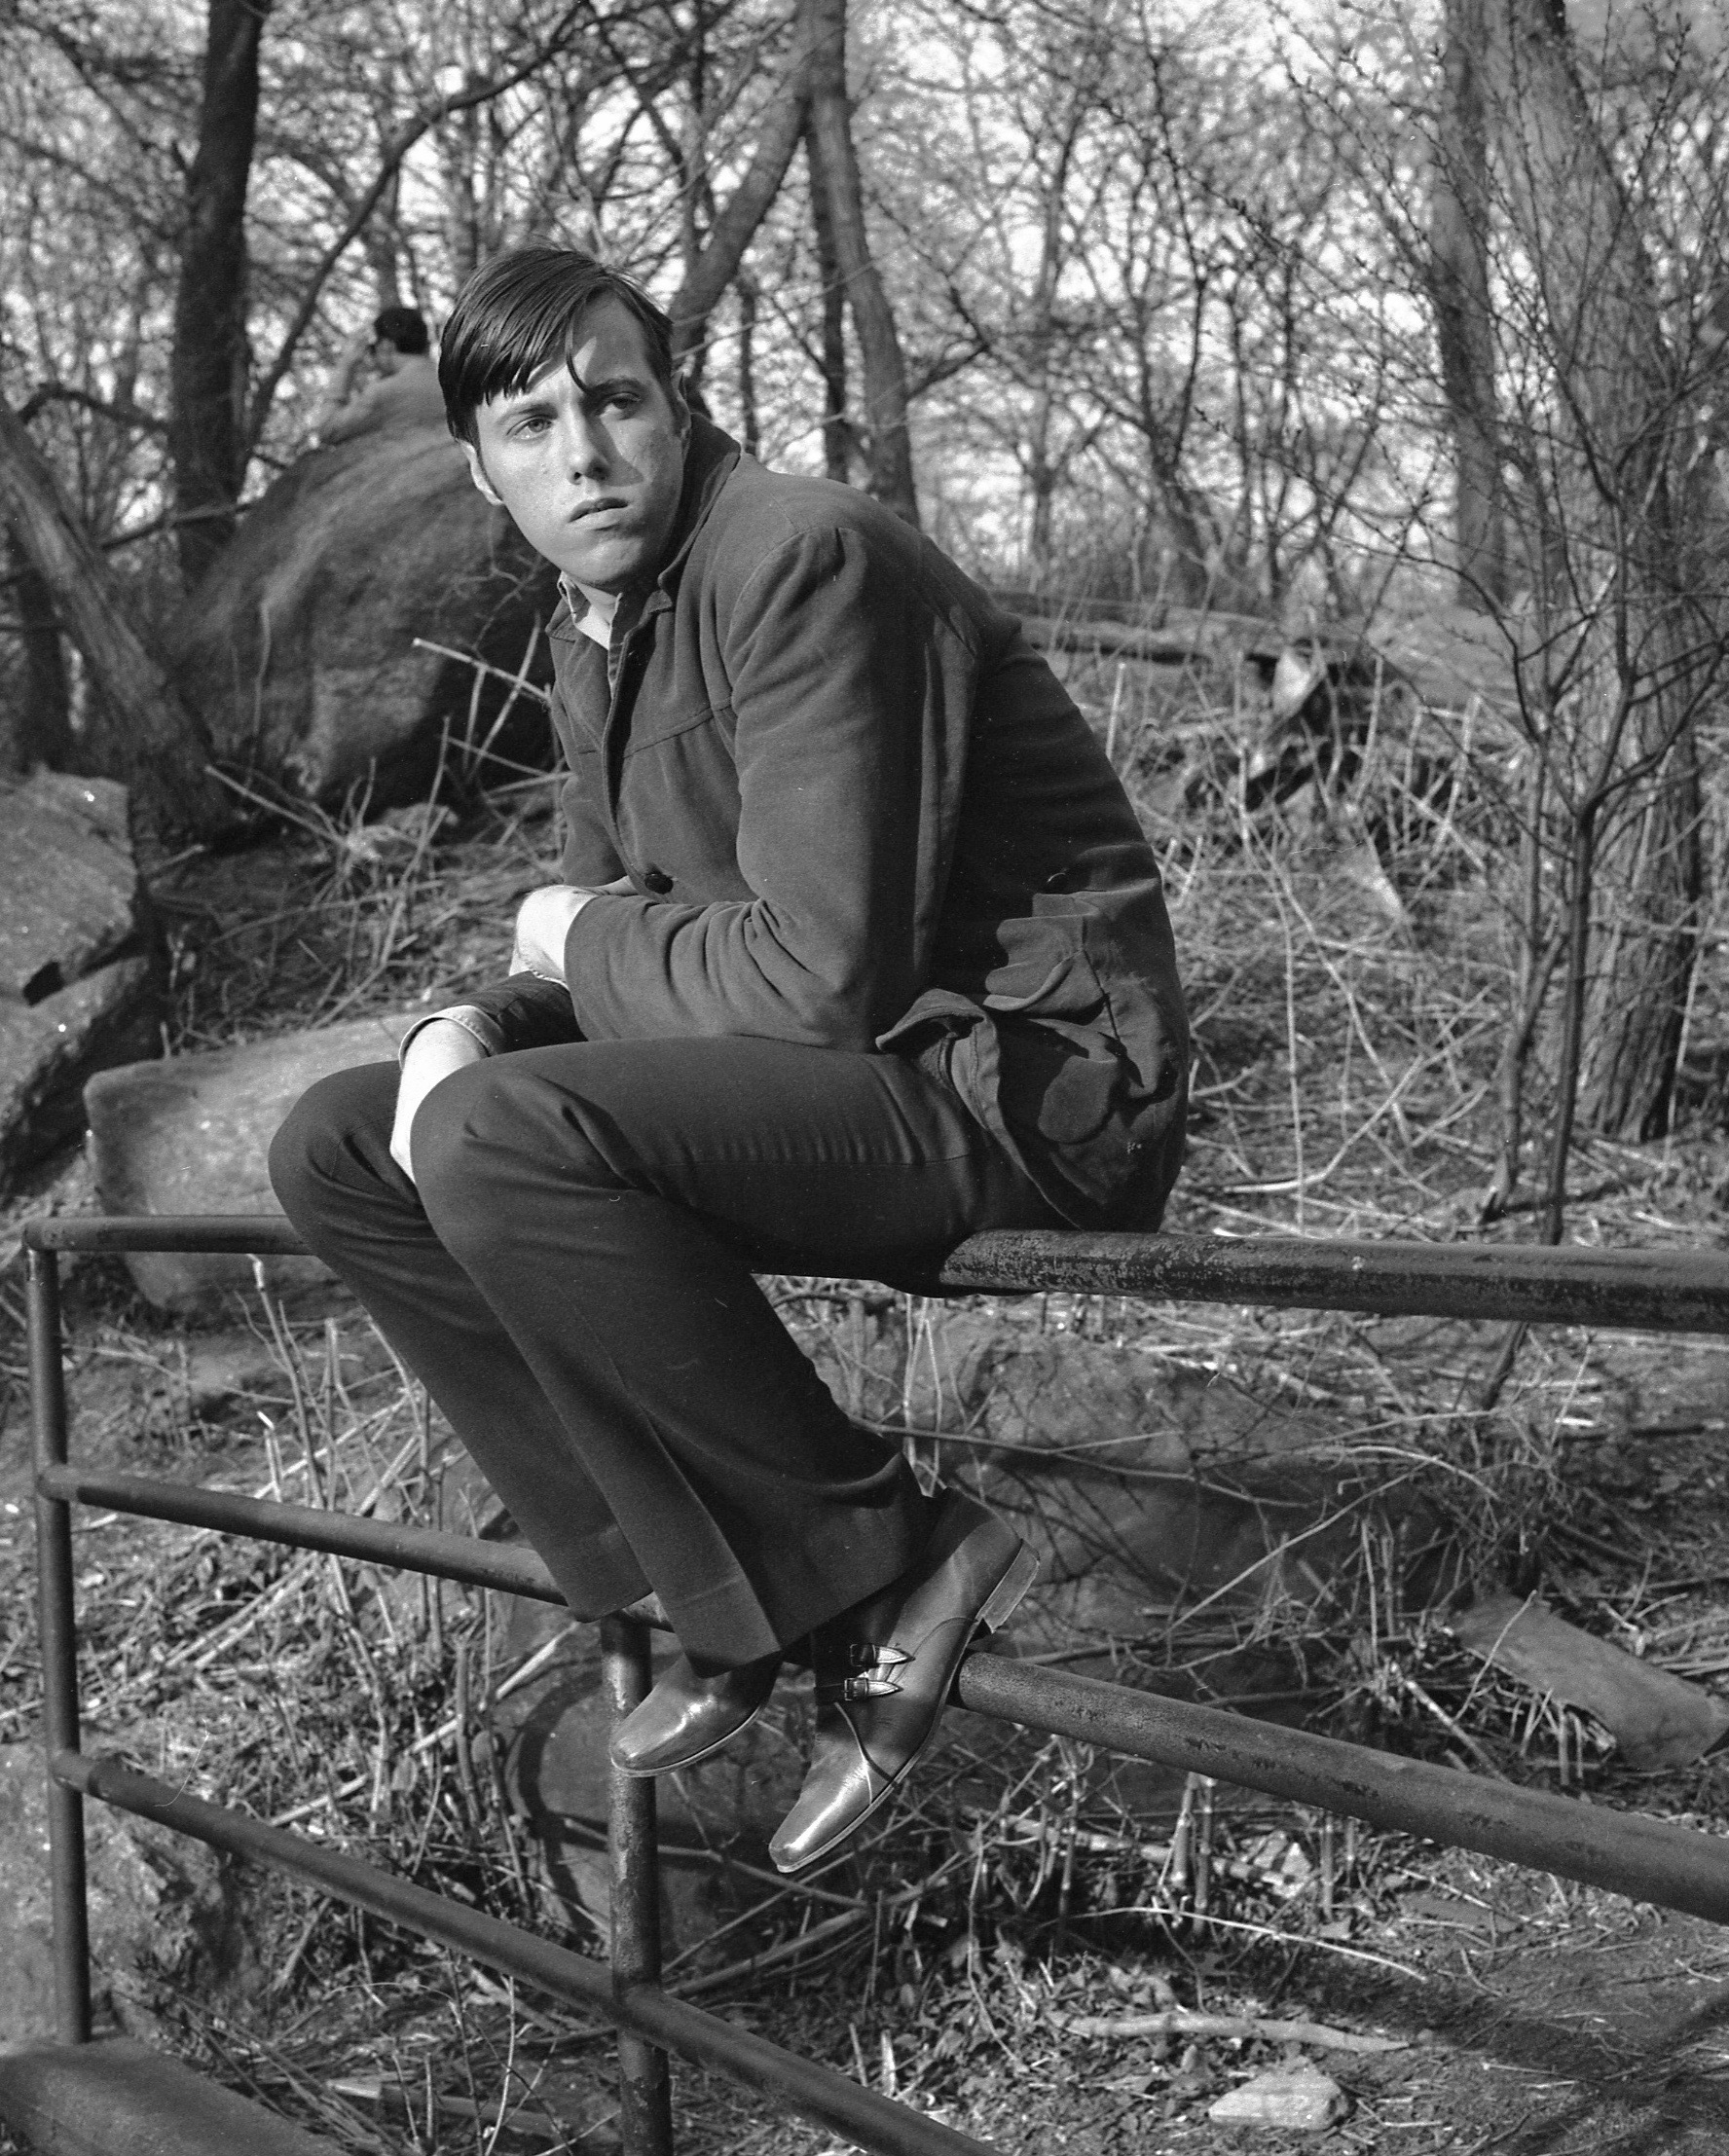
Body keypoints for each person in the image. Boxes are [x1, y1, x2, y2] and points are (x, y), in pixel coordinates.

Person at [270, 245, 1189, 1876]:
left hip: (1018, 1082)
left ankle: (887, 1557)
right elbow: (622, 940)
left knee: (498, 1138)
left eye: (616, 400)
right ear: (482, 471)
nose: (585, 453)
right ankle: (684, 1584)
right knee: (347, 1144)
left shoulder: (799, 560)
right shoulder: (604, 627)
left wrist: (558, 954)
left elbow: (816, 972)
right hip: (859, 1075)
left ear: (676, 406)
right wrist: (460, 1024)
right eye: (532, 422)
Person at [314, 303, 446, 446]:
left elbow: (327, 430)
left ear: (386, 345)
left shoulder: (382, 393)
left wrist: (345, 367)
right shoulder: (454, 383)